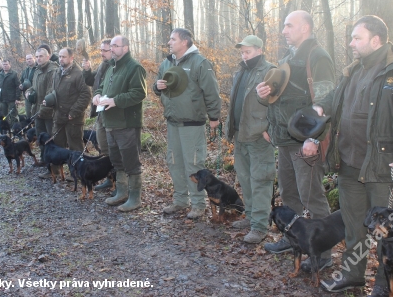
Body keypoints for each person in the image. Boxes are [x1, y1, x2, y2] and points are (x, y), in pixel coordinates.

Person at [315, 15, 393, 296]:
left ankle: (385, 285)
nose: (350, 43)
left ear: (376, 40)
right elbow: (337, 98)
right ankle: (352, 275)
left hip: (384, 167)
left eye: (356, 38)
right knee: (353, 227)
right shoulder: (353, 70)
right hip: (348, 164)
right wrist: (321, 108)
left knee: (389, 229)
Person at [256, 10, 335, 269]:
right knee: (289, 193)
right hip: (285, 139)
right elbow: (279, 98)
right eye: (284, 25)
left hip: (305, 142)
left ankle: (322, 254)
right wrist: (263, 94)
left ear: (305, 28)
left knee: (311, 196)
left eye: (289, 25)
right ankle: (295, 240)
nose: (284, 30)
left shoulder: (318, 56)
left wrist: (314, 138)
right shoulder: (288, 57)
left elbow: (325, 100)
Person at [153, 28, 222, 219]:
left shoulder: (200, 63)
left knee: (193, 165)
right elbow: (157, 86)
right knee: (174, 162)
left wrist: (214, 117)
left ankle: (198, 205)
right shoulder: (166, 63)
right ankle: (180, 201)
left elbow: (211, 92)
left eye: (173, 39)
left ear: (184, 42)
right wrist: (156, 87)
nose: (169, 42)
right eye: (169, 39)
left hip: (192, 124)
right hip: (172, 122)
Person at [225, 35, 276, 243]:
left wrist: (270, 129)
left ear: (259, 50)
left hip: (259, 137)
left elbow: (279, 103)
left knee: (261, 181)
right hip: (240, 134)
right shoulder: (240, 72)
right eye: (242, 52)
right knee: (245, 179)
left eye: (248, 52)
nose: (244, 56)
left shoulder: (271, 72)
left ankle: (260, 226)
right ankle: (252, 216)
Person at [93, 35, 147, 211]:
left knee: (131, 161)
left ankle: (135, 198)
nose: (112, 49)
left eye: (116, 46)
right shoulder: (111, 67)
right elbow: (102, 87)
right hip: (110, 122)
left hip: (127, 123)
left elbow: (139, 93)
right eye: (111, 46)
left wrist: (115, 101)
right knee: (116, 160)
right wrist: (98, 95)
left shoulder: (134, 67)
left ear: (126, 48)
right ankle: (121, 192)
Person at [49, 47, 91, 179]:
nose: (61, 59)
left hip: (73, 119)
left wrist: (74, 112)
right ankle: (55, 172)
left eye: (64, 57)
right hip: (59, 116)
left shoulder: (79, 74)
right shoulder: (57, 72)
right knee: (57, 144)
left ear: (71, 58)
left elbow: (86, 95)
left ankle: (79, 175)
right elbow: (53, 91)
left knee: (75, 147)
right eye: (60, 56)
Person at [82, 39, 113, 189]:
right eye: (101, 50)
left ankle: (119, 184)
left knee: (114, 150)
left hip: (111, 113)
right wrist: (87, 69)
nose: (101, 53)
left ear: (113, 50)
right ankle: (110, 179)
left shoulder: (116, 66)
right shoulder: (103, 65)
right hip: (100, 113)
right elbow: (90, 81)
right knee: (104, 149)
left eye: (104, 50)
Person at [25, 46, 59, 171]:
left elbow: (52, 92)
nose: (39, 59)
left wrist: (42, 110)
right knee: (40, 137)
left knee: (51, 139)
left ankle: (54, 167)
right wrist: (28, 92)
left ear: (48, 56)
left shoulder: (53, 70)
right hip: (38, 112)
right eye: (37, 56)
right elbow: (33, 87)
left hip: (49, 112)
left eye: (41, 56)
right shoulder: (37, 71)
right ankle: (44, 160)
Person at [0, 59, 22, 125]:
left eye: (6, 64)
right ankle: (5, 128)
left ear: (9, 65)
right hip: (2, 99)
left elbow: (18, 86)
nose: (5, 66)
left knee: (13, 114)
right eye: (4, 64)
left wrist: (18, 98)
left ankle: (14, 128)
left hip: (12, 99)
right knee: (4, 116)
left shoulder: (14, 74)